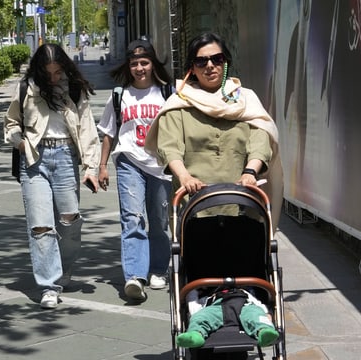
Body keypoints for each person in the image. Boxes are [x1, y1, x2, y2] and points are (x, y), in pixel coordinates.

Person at [144, 32, 283, 227]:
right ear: (192, 68)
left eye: (217, 59)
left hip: (242, 202)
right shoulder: (178, 104)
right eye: (201, 61)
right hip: (194, 204)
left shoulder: (246, 100)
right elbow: (170, 147)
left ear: (225, 63)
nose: (210, 66)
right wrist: (184, 177)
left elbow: (260, 140)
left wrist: (250, 172)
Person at [4, 43, 100, 309]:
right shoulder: (27, 87)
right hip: (34, 160)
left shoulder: (75, 89)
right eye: (49, 73)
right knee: (41, 226)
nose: (54, 77)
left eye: (58, 71)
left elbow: (88, 129)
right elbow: (11, 122)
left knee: (69, 220)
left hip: (66, 157)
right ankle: (49, 284)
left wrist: (90, 167)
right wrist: (20, 143)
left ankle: (64, 266)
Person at [97, 40, 173, 302]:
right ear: (128, 67)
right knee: (133, 218)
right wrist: (102, 166)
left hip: (161, 165)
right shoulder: (120, 95)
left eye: (144, 62)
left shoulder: (167, 94)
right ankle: (135, 276)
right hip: (129, 161)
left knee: (160, 221)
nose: (139, 68)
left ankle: (158, 269)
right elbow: (108, 133)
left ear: (153, 64)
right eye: (134, 64)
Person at [177, 287, 279, 348]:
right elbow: (194, 306)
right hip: (215, 306)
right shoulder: (207, 296)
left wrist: (266, 312)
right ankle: (196, 335)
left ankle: (264, 331)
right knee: (201, 316)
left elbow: (257, 303)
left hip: (244, 303)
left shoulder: (245, 290)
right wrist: (193, 290)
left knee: (255, 314)